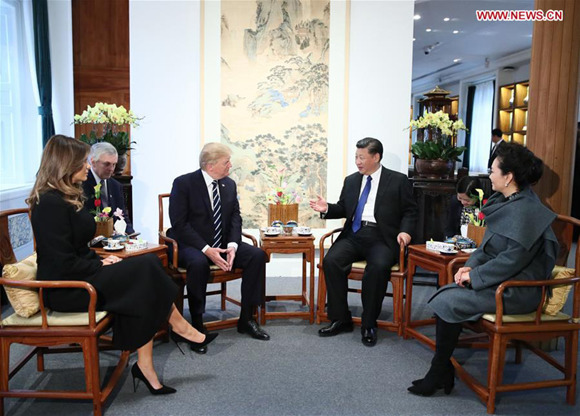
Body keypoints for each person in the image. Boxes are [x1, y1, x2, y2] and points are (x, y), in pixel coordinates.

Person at [28, 135, 217, 395]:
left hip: (81, 276)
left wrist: (101, 260)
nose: (87, 166)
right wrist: (98, 267)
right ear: (65, 164)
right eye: (83, 162)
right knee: (146, 271)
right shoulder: (48, 203)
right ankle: (180, 329)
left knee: (146, 273)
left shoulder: (65, 197)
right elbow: (61, 261)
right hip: (67, 289)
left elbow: (78, 249)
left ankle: (149, 363)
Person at [407, 142, 559, 396]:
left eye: (493, 171)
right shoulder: (509, 202)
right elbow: (486, 248)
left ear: (508, 177)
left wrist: (474, 277)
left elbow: (512, 260)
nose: (489, 175)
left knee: (449, 301)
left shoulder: (527, 211)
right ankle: (441, 370)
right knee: (447, 295)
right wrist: (468, 268)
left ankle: (439, 371)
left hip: (517, 289)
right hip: (500, 281)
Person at [310, 137, 418, 347]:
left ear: (376, 157)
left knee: (377, 268)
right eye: (356, 157)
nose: (358, 161)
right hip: (354, 234)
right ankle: (341, 318)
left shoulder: (397, 180)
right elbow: (343, 208)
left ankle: (369, 324)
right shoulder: (351, 180)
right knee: (331, 261)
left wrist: (405, 232)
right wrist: (327, 209)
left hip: (382, 237)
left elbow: (410, 211)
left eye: (362, 157)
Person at [168, 142, 270, 352]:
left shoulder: (229, 184)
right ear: (211, 165)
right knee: (198, 264)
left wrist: (232, 245)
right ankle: (196, 325)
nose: (230, 166)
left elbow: (235, 217)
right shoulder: (183, 183)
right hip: (191, 245)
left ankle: (246, 319)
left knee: (257, 255)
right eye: (227, 162)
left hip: (222, 243)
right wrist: (206, 249)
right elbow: (179, 224)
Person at [82, 142, 135, 234]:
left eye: (114, 164)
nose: (111, 169)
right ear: (93, 162)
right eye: (107, 164)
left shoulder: (116, 186)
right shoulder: (82, 184)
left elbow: (122, 215)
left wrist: (131, 235)